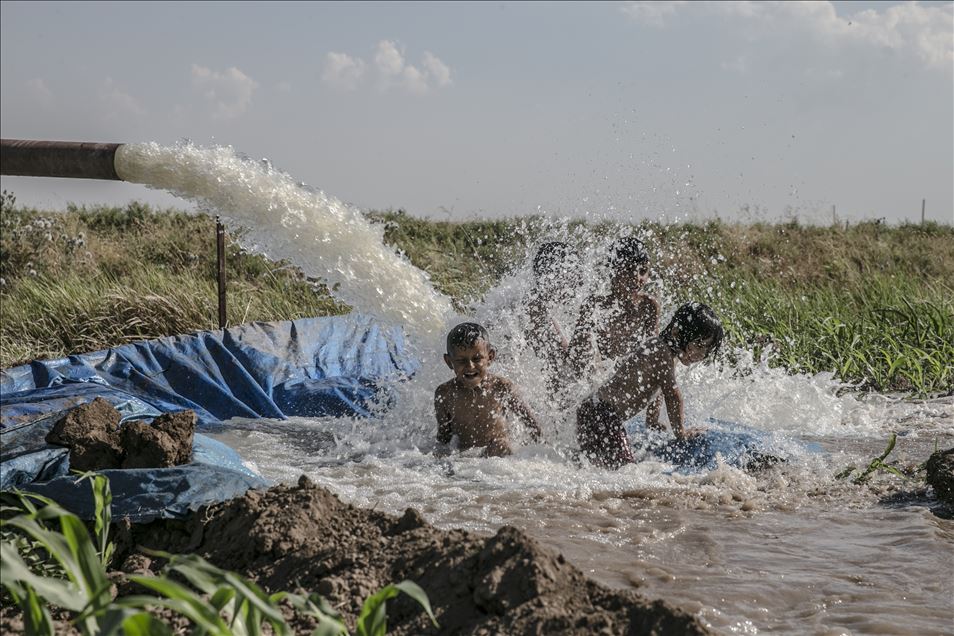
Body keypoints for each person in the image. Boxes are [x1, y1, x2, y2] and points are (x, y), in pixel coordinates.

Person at [576, 302, 724, 469]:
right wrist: (681, 432)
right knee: (626, 469)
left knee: (596, 464)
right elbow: (672, 395)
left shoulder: (665, 352)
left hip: (592, 411)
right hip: (603, 414)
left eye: (706, 350)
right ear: (676, 332)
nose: (700, 354)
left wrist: (652, 420)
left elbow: (658, 389)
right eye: (698, 345)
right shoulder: (661, 352)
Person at [435, 322, 543, 457]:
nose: (470, 366)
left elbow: (533, 426)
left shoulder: (501, 387)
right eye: (461, 361)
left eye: (477, 358)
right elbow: (443, 437)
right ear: (449, 362)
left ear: (490, 357)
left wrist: (539, 454)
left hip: (499, 458)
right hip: (465, 459)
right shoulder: (445, 393)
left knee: (501, 445)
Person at [567, 236, 660, 373]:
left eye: (642, 271)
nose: (636, 278)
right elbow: (575, 355)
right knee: (584, 340)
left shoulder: (648, 305)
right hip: (597, 375)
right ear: (613, 271)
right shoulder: (594, 305)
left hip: (631, 376)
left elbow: (654, 352)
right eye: (628, 270)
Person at [523, 241, 581, 396]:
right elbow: (554, 369)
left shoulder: (536, 301)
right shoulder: (535, 308)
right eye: (573, 272)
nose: (578, 280)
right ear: (554, 275)